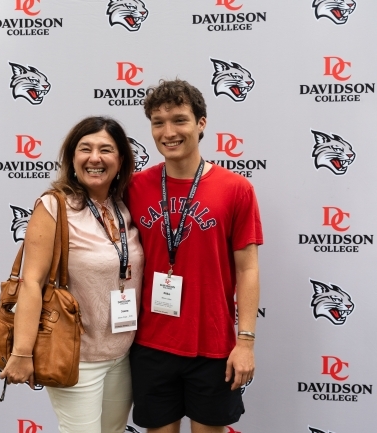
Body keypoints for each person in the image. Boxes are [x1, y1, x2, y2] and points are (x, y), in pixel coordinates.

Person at [125, 80, 263, 432]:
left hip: (213, 347)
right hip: (150, 344)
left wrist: (245, 342)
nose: (168, 132)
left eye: (179, 120)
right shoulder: (134, 187)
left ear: (201, 123)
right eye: (158, 122)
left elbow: (247, 269)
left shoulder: (236, 189)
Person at [0, 116, 144, 433]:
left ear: (121, 160)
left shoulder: (123, 207)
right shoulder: (54, 206)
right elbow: (32, 284)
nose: (95, 158)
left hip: (122, 355)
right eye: (85, 149)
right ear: (72, 158)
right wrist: (22, 352)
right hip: (75, 357)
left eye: (106, 149)